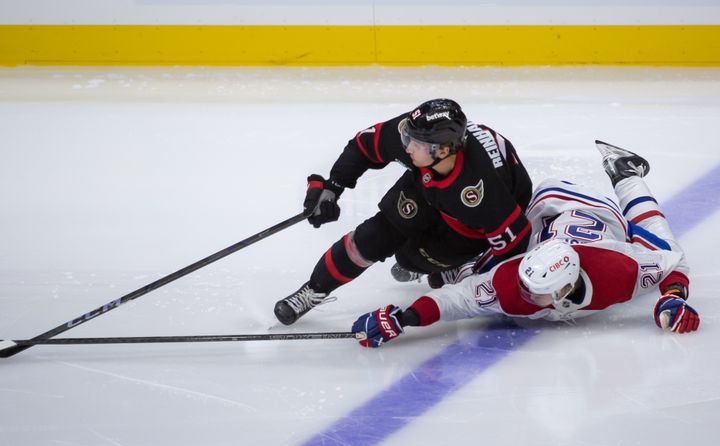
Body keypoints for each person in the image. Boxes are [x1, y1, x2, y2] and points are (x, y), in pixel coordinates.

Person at [352, 140, 700, 347]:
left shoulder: (619, 272)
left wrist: (672, 298)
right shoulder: (516, 280)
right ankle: (448, 264)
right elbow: (458, 299)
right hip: (551, 204)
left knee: (653, 232)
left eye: (537, 294)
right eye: (528, 289)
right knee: (487, 258)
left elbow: (670, 259)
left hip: (595, 226)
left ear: (564, 290)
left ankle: (625, 173)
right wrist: (404, 317)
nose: (524, 295)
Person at [273, 98, 533, 325]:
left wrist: (483, 281)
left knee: (408, 261)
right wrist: (333, 186)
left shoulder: (484, 192)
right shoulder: (420, 139)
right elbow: (364, 146)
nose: (406, 146)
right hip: (427, 186)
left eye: (414, 143)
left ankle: (456, 265)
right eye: (407, 137)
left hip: (467, 226)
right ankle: (313, 290)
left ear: (442, 150)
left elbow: (515, 247)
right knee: (373, 237)